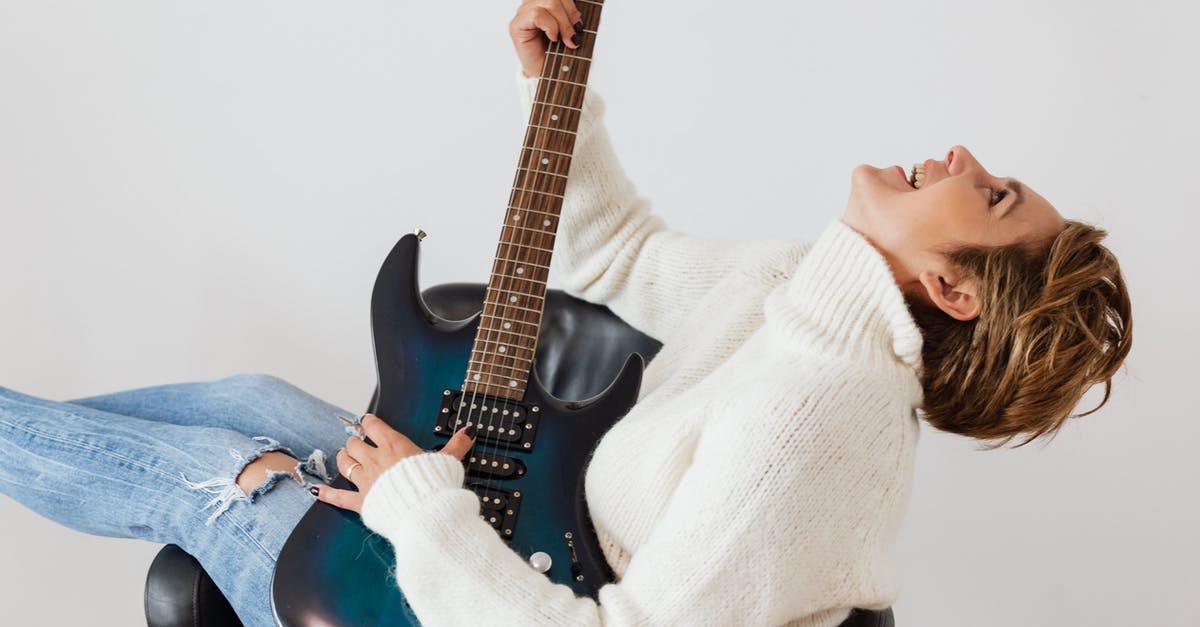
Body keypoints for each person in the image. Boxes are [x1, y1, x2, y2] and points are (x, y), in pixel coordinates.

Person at [0, 1, 1132, 625]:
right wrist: (560, 97)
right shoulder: (799, 298)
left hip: (463, 601)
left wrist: (424, 518)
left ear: (953, 287)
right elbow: (622, 255)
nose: (961, 157)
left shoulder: (823, 423)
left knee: (213, 466)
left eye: (987, 195)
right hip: (494, 532)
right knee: (252, 397)